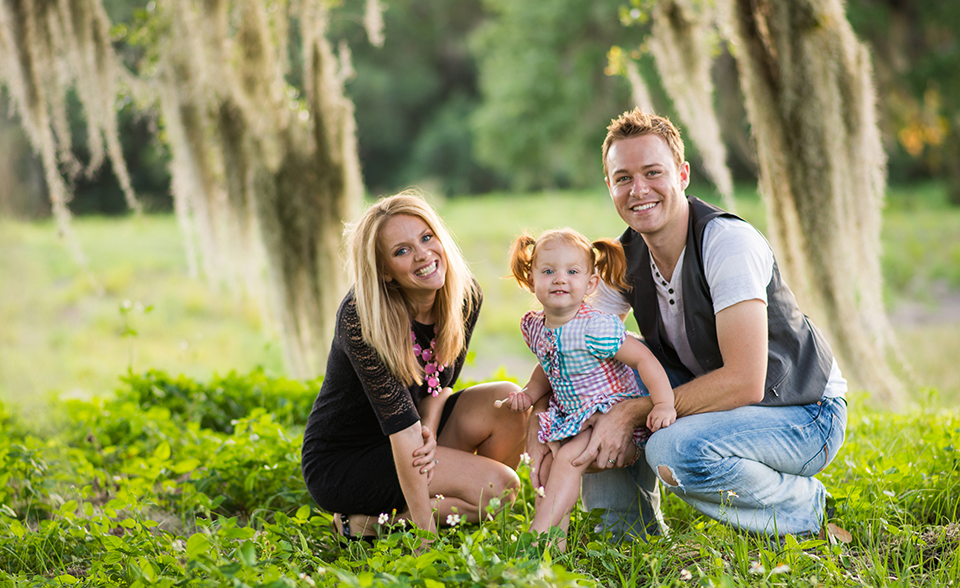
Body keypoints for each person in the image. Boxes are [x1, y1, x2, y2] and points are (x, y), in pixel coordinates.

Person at [525, 108, 848, 540]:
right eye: (623, 178)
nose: (638, 190)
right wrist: (540, 427)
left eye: (653, 172)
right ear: (610, 186)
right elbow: (573, 348)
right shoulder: (624, 258)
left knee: (673, 448)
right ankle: (623, 534)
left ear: (682, 174)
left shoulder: (725, 243)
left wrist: (633, 411)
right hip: (727, 404)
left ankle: (805, 507)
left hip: (802, 413)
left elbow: (745, 383)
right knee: (606, 382)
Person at [301, 191, 528, 544]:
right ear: (386, 273)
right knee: (502, 490)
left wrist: (431, 430)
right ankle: (395, 523)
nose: (423, 254)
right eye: (402, 250)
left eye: (426, 238)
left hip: (413, 434)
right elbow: (401, 432)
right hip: (347, 462)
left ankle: (451, 504)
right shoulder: (362, 318)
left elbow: (440, 387)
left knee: (508, 401)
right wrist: (426, 540)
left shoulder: (464, 297)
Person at [500, 228, 675, 547]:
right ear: (532, 279)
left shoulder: (594, 326)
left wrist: (662, 404)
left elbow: (643, 360)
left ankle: (534, 537)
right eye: (548, 271)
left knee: (567, 459)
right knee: (549, 467)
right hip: (574, 416)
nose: (560, 279)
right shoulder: (536, 326)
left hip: (610, 414)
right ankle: (554, 546)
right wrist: (530, 392)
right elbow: (547, 363)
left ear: (591, 283)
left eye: (572, 272)